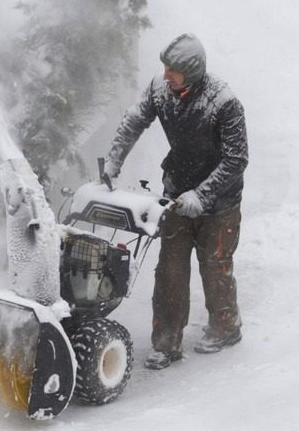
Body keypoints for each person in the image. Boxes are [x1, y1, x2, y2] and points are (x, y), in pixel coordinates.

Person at [103, 33, 249, 370]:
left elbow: (236, 159)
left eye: (174, 70)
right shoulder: (160, 90)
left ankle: (226, 327)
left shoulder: (224, 103)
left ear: (193, 72)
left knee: (214, 267)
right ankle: (166, 342)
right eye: (165, 67)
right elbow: (133, 122)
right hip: (176, 194)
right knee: (169, 270)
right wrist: (114, 160)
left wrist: (203, 195)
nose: (167, 74)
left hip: (220, 204)